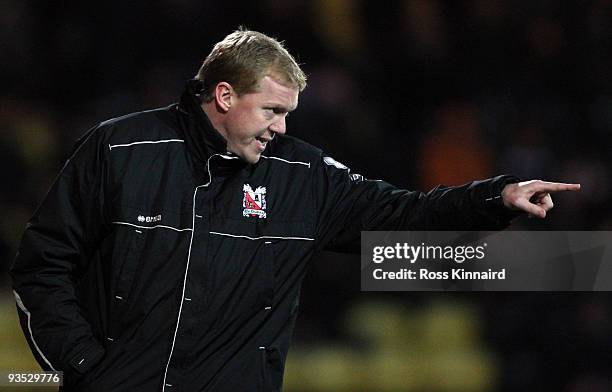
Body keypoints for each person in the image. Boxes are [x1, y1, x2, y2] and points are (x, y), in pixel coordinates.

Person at [10, 28, 580, 392]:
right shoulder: (121, 150)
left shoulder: (300, 175)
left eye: (289, 114)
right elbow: (42, 266)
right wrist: (85, 366)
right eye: (272, 110)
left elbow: (401, 213)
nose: (282, 128)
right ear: (225, 95)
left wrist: (493, 197)